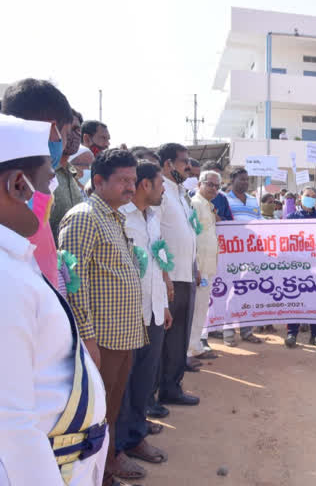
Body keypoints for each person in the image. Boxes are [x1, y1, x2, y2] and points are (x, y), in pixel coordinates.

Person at [0, 113, 107, 485]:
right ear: (17, 184)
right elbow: (7, 430)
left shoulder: (0, 253)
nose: (50, 194)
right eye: (47, 181)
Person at [58, 149, 144, 485]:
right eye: (123, 180)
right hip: (101, 340)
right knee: (95, 413)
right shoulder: (84, 216)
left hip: (122, 336)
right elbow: (72, 283)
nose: (130, 187)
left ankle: (105, 469)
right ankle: (93, 475)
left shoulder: (113, 216)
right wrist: (88, 339)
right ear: (98, 181)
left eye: (133, 181)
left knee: (111, 409)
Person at [114, 160, 171, 481]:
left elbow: (156, 259)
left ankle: (136, 437)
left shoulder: (153, 216)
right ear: (145, 185)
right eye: (160, 183)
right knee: (122, 385)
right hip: (127, 315)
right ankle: (117, 448)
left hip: (153, 310)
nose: (163, 188)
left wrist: (163, 302)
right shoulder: (120, 216)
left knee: (143, 382)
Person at [1, 78, 73, 286]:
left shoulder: (1, 180)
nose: (66, 142)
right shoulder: (27, 188)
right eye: (66, 134)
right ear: (53, 129)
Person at [155, 142, 204, 403]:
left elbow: (189, 233)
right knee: (163, 340)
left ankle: (172, 388)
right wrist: (163, 274)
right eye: (183, 161)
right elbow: (154, 235)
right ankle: (156, 394)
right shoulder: (158, 192)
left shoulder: (182, 194)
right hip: (169, 278)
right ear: (168, 164)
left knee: (180, 338)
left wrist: (195, 264)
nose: (188, 166)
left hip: (187, 275)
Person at [221, 167, 263, 344]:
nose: (245, 182)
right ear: (232, 179)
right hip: (230, 254)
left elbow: (261, 223)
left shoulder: (253, 200)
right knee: (228, 291)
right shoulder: (224, 199)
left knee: (247, 291)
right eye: (242, 179)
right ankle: (228, 331)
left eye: (247, 179)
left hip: (250, 253)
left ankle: (247, 330)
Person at [284, 187, 316, 348]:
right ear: (300, 197)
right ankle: (292, 333)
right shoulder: (291, 218)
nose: (310, 198)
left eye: (313, 196)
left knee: (315, 299)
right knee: (294, 298)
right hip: (295, 266)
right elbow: (285, 241)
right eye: (307, 196)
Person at [187, 170, 223, 360]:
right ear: (199, 184)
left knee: (201, 308)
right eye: (210, 184)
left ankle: (195, 346)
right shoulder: (195, 204)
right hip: (199, 267)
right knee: (194, 310)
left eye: (217, 186)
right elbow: (191, 238)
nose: (214, 189)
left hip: (207, 267)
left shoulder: (208, 206)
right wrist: (196, 267)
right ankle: (189, 350)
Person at [50, 108, 85, 243]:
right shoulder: (45, 176)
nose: (74, 135)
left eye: (77, 129)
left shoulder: (73, 175)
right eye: (70, 129)